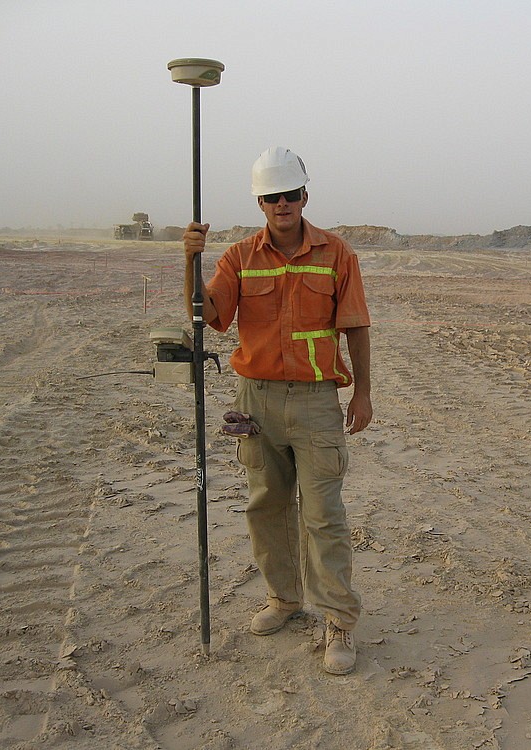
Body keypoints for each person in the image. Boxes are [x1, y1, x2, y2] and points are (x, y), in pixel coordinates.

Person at [181, 146, 372, 675]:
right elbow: (208, 313)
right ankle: (284, 600)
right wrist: (191, 260)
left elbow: (355, 324)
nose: (282, 203)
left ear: (304, 196)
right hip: (256, 400)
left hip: (316, 403)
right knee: (266, 506)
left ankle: (338, 621)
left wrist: (362, 393)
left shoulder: (337, 253)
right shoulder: (239, 256)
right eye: (272, 197)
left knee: (323, 515)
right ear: (261, 203)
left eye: (290, 194)